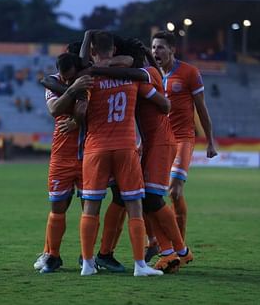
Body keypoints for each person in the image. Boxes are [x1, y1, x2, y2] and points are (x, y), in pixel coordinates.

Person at [77, 31, 163, 277]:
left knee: (90, 208)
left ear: (93, 51)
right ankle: (140, 265)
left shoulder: (88, 77)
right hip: (125, 147)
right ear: (114, 50)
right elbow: (155, 88)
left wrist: (94, 64)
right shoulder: (133, 75)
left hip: (95, 148)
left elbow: (83, 73)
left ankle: (87, 264)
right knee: (134, 205)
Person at [152, 31, 218, 266]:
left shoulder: (190, 73)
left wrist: (210, 140)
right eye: (153, 47)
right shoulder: (151, 74)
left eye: (160, 47)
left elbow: (201, 109)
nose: (155, 52)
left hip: (182, 139)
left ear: (172, 50)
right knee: (149, 193)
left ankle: (179, 248)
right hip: (158, 141)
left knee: (174, 191)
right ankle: (158, 242)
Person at [35, 52, 93, 273]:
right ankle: (53, 255)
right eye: (64, 77)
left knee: (89, 208)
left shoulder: (88, 81)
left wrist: (77, 120)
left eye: (70, 77)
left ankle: (86, 256)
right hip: (61, 156)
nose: (66, 80)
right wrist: (72, 88)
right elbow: (54, 109)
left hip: (89, 154)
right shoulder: (54, 81)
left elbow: (83, 110)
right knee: (57, 207)